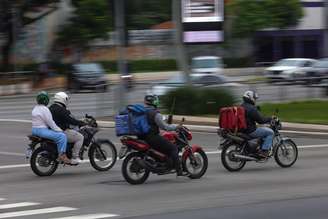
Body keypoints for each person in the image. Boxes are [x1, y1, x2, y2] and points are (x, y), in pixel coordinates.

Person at [141, 94, 187, 176]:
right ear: (155, 102)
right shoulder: (155, 114)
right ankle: (179, 170)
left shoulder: (141, 112)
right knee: (173, 148)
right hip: (152, 138)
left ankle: (162, 163)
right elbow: (165, 127)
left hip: (142, 137)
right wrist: (176, 127)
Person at [31, 91, 71, 164]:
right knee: (62, 136)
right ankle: (62, 155)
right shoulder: (45, 109)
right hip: (42, 131)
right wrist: (59, 130)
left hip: (34, 130)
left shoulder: (35, 108)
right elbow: (51, 123)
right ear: (46, 100)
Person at [49, 92, 86, 165]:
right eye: (66, 99)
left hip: (51, 131)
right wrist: (81, 123)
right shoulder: (62, 110)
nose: (67, 101)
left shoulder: (51, 108)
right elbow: (70, 120)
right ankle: (75, 157)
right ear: (63, 99)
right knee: (80, 137)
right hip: (60, 131)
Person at [241, 91, 274, 158]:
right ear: (251, 98)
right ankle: (264, 151)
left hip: (242, 129)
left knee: (262, 130)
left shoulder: (241, 106)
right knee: (270, 132)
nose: (255, 100)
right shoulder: (251, 108)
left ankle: (256, 148)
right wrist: (270, 118)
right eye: (254, 98)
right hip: (250, 130)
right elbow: (261, 120)